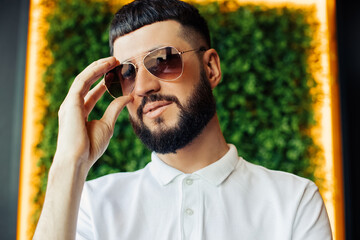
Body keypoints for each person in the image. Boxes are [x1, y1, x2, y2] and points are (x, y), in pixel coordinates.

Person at [33, 0, 333, 239]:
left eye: (163, 60)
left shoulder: (294, 200)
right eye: (126, 73)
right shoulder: (93, 205)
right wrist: (70, 163)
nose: (143, 87)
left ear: (211, 68)